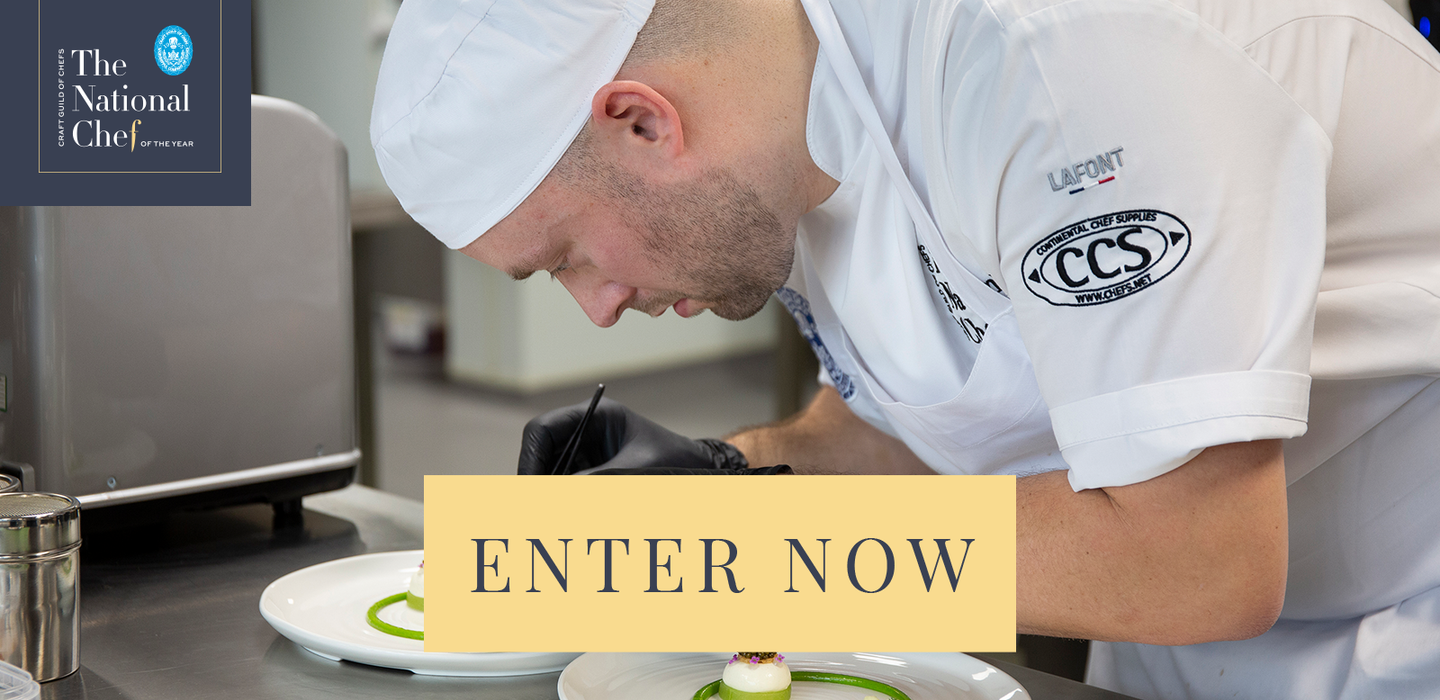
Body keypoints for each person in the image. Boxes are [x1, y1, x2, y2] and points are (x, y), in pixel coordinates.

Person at [370, 0, 1440, 697]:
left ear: (644, 122)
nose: (597, 310)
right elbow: (935, 420)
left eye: (567, 257)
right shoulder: (785, 136)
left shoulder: (1058, 62)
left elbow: (1198, 559)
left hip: (1405, 619)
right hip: (1173, 655)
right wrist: (734, 473)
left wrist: (707, 558)